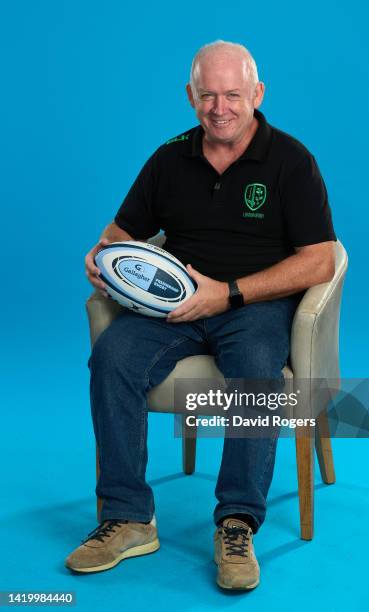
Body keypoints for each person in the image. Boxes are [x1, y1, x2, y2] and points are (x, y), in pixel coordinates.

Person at [65, 40, 336, 590]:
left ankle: (237, 522)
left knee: (258, 370)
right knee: (111, 356)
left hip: (254, 306)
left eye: (233, 94)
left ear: (256, 94)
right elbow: (119, 234)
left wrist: (230, 293)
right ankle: (128, 516)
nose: (220, 107)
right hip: (176, 306)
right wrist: (101, 257)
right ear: (190, 97)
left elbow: (321, 258)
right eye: (207, 95)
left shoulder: (291, 160)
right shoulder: (170, 158)